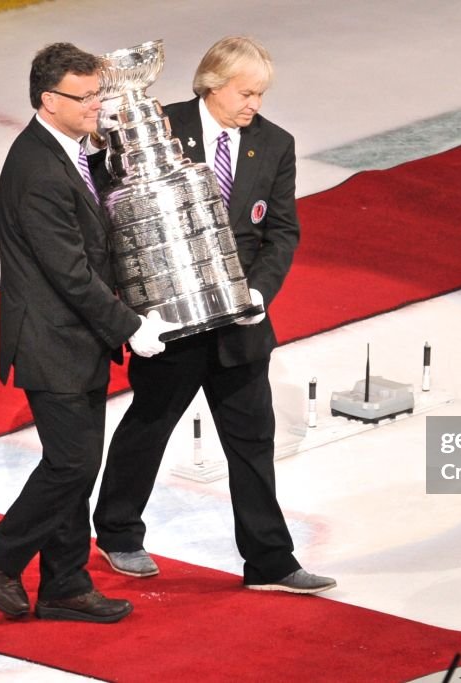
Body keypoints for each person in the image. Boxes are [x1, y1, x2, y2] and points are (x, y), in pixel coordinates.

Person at [93, 36, 335, 594]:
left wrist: (258, 293)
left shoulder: (274, 143)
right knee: (148, 427)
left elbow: (281, 231)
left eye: (260, 94)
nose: (254, 104)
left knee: (252, 441)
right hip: (172, 320)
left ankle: (270, 561)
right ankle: (118, 533)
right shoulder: (158, 125)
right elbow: (114, 211)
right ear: (212, 84)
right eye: (246, 92)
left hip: (240, 322)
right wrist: (133, 308)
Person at [0, 42, 177, 623]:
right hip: (50, 339)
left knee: (76, 464)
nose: (96, 107)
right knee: (74, 464)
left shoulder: (74, 151)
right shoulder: (36, 170)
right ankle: (0, 550)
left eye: (98, 94)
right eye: (85, 98)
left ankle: (64, 585)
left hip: (76, 339)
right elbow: (70, 273)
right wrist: (131, 325)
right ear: (48, 100)